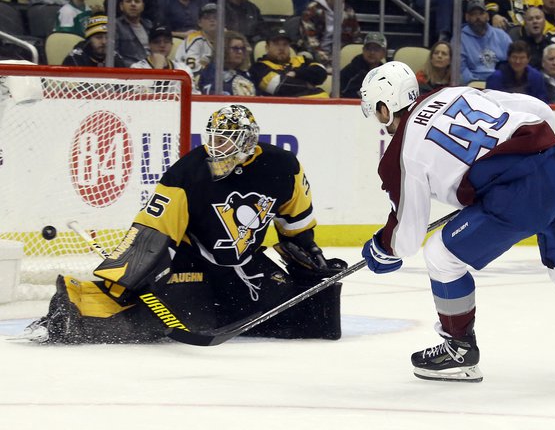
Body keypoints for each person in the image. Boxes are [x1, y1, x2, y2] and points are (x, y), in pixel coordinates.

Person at [358, 61, 555, 384]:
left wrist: (382, 248)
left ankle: (459, 350)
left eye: (375, 112)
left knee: (441, 256)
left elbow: (406, 237)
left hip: (517, 197)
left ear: (384, 108)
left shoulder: (402, 152)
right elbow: (538, 109)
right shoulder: (456, 92)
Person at [21, 104, 347, 344]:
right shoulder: (187, 174)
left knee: (306, 320)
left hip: (245, 267)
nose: (216, 148)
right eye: (214, 139)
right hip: (195, 266)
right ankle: (72, 308)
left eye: (226, 141)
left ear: (248, 141)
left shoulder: (283, 167)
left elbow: (296, 223)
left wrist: (310, 258)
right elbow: (153, 231)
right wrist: (127, 278)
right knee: (153, 322)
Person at [250, 27, 328, 98]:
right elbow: (280, 86)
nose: (281, 48)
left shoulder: (301, 60)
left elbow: (321, 72)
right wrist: (308, 84)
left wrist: (296, 73)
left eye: (285, 44)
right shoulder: (259, 67)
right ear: (267, 47)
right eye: (276, 44)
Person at [130, 25, 198, 94]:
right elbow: (141, 97)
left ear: (172, 44)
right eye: (157, 42)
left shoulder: (183, 69)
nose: (162, 45)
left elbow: (194, 96)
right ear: (149, 45)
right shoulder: (137, 68)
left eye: (166, 41)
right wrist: (158, 70)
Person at [298, 0, 362, 69]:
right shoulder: (311, 10)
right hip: (316, 56)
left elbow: (356, 37)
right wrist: (328, 61)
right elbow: (310, 42)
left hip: (341, 56)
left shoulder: (348, 11)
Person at [460, 0, 513, 83]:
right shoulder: (459, 39)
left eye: (481, 14)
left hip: (501, 85)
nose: (478, 18)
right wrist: (474, 84)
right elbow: (461, 69)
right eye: (473, 14)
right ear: (467, 17)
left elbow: (512, 61)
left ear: (488, 16)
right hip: (473, 87)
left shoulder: (502, 36)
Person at [508, 6, 555, 71]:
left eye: (538, 18)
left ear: (544, 23)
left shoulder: (551, 46)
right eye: (530, 19)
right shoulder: (518, 47)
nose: (535, 21)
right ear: (525, 24)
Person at [198, 30, 256, 96]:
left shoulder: (245, 74)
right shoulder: (211, 72)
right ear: (223, 50)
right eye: (235, 48)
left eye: (242, 48)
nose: (240, 52)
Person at [62, 14, 128, 67]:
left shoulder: (115, 58)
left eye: (108, 37)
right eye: (98, 37)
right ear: (89, 39)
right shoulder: (75, 59)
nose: (104, 42)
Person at [175, 3, 217, 78]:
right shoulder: (194, 39)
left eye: (216, 17)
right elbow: (191, 67)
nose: (212, 20)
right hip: (189, 78)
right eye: (207, 17)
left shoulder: (227, 39)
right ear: (200, 23)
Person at [339, 32, 387, 99]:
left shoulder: (386, 74)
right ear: (363, 50)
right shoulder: (351, 70)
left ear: (383, 53)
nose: (372, 52)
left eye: (376, 49)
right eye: (368, 48)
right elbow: (340, 94)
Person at [115, 0, 153, 66]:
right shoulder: (114, 25)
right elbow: (114, 54)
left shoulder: (149, 25)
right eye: (128, 1)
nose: (133, 4)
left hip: (153, 67)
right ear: (121, 6)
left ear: (143, 6)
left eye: (137, 1)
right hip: (130, 70)